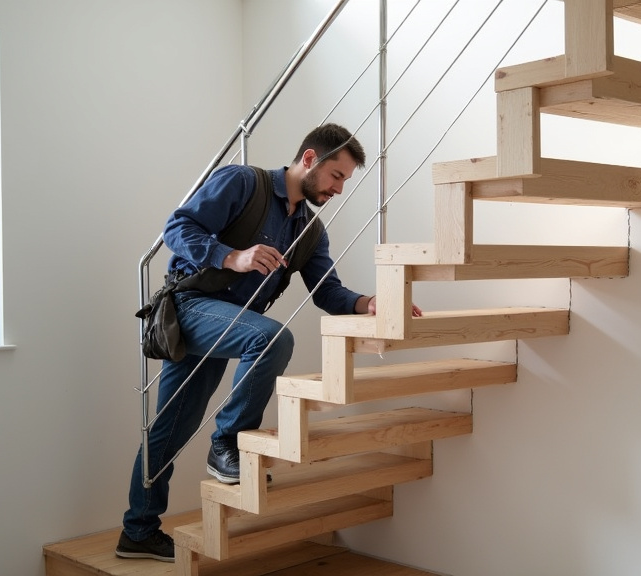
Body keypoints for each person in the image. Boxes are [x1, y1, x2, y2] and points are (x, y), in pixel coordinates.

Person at [116, 123, 420, 562]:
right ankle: (227, 445)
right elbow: (177, 227)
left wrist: (368, 303)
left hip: (230, 322)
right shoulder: (243, 182)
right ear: (310, 159)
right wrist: (232, 256)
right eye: (336, 175)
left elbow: (328, 292)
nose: (339, 189)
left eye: (345, 182)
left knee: (172, 426)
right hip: (190, 307)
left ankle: (137, 533)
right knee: (272, 338)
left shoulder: (310, 231)